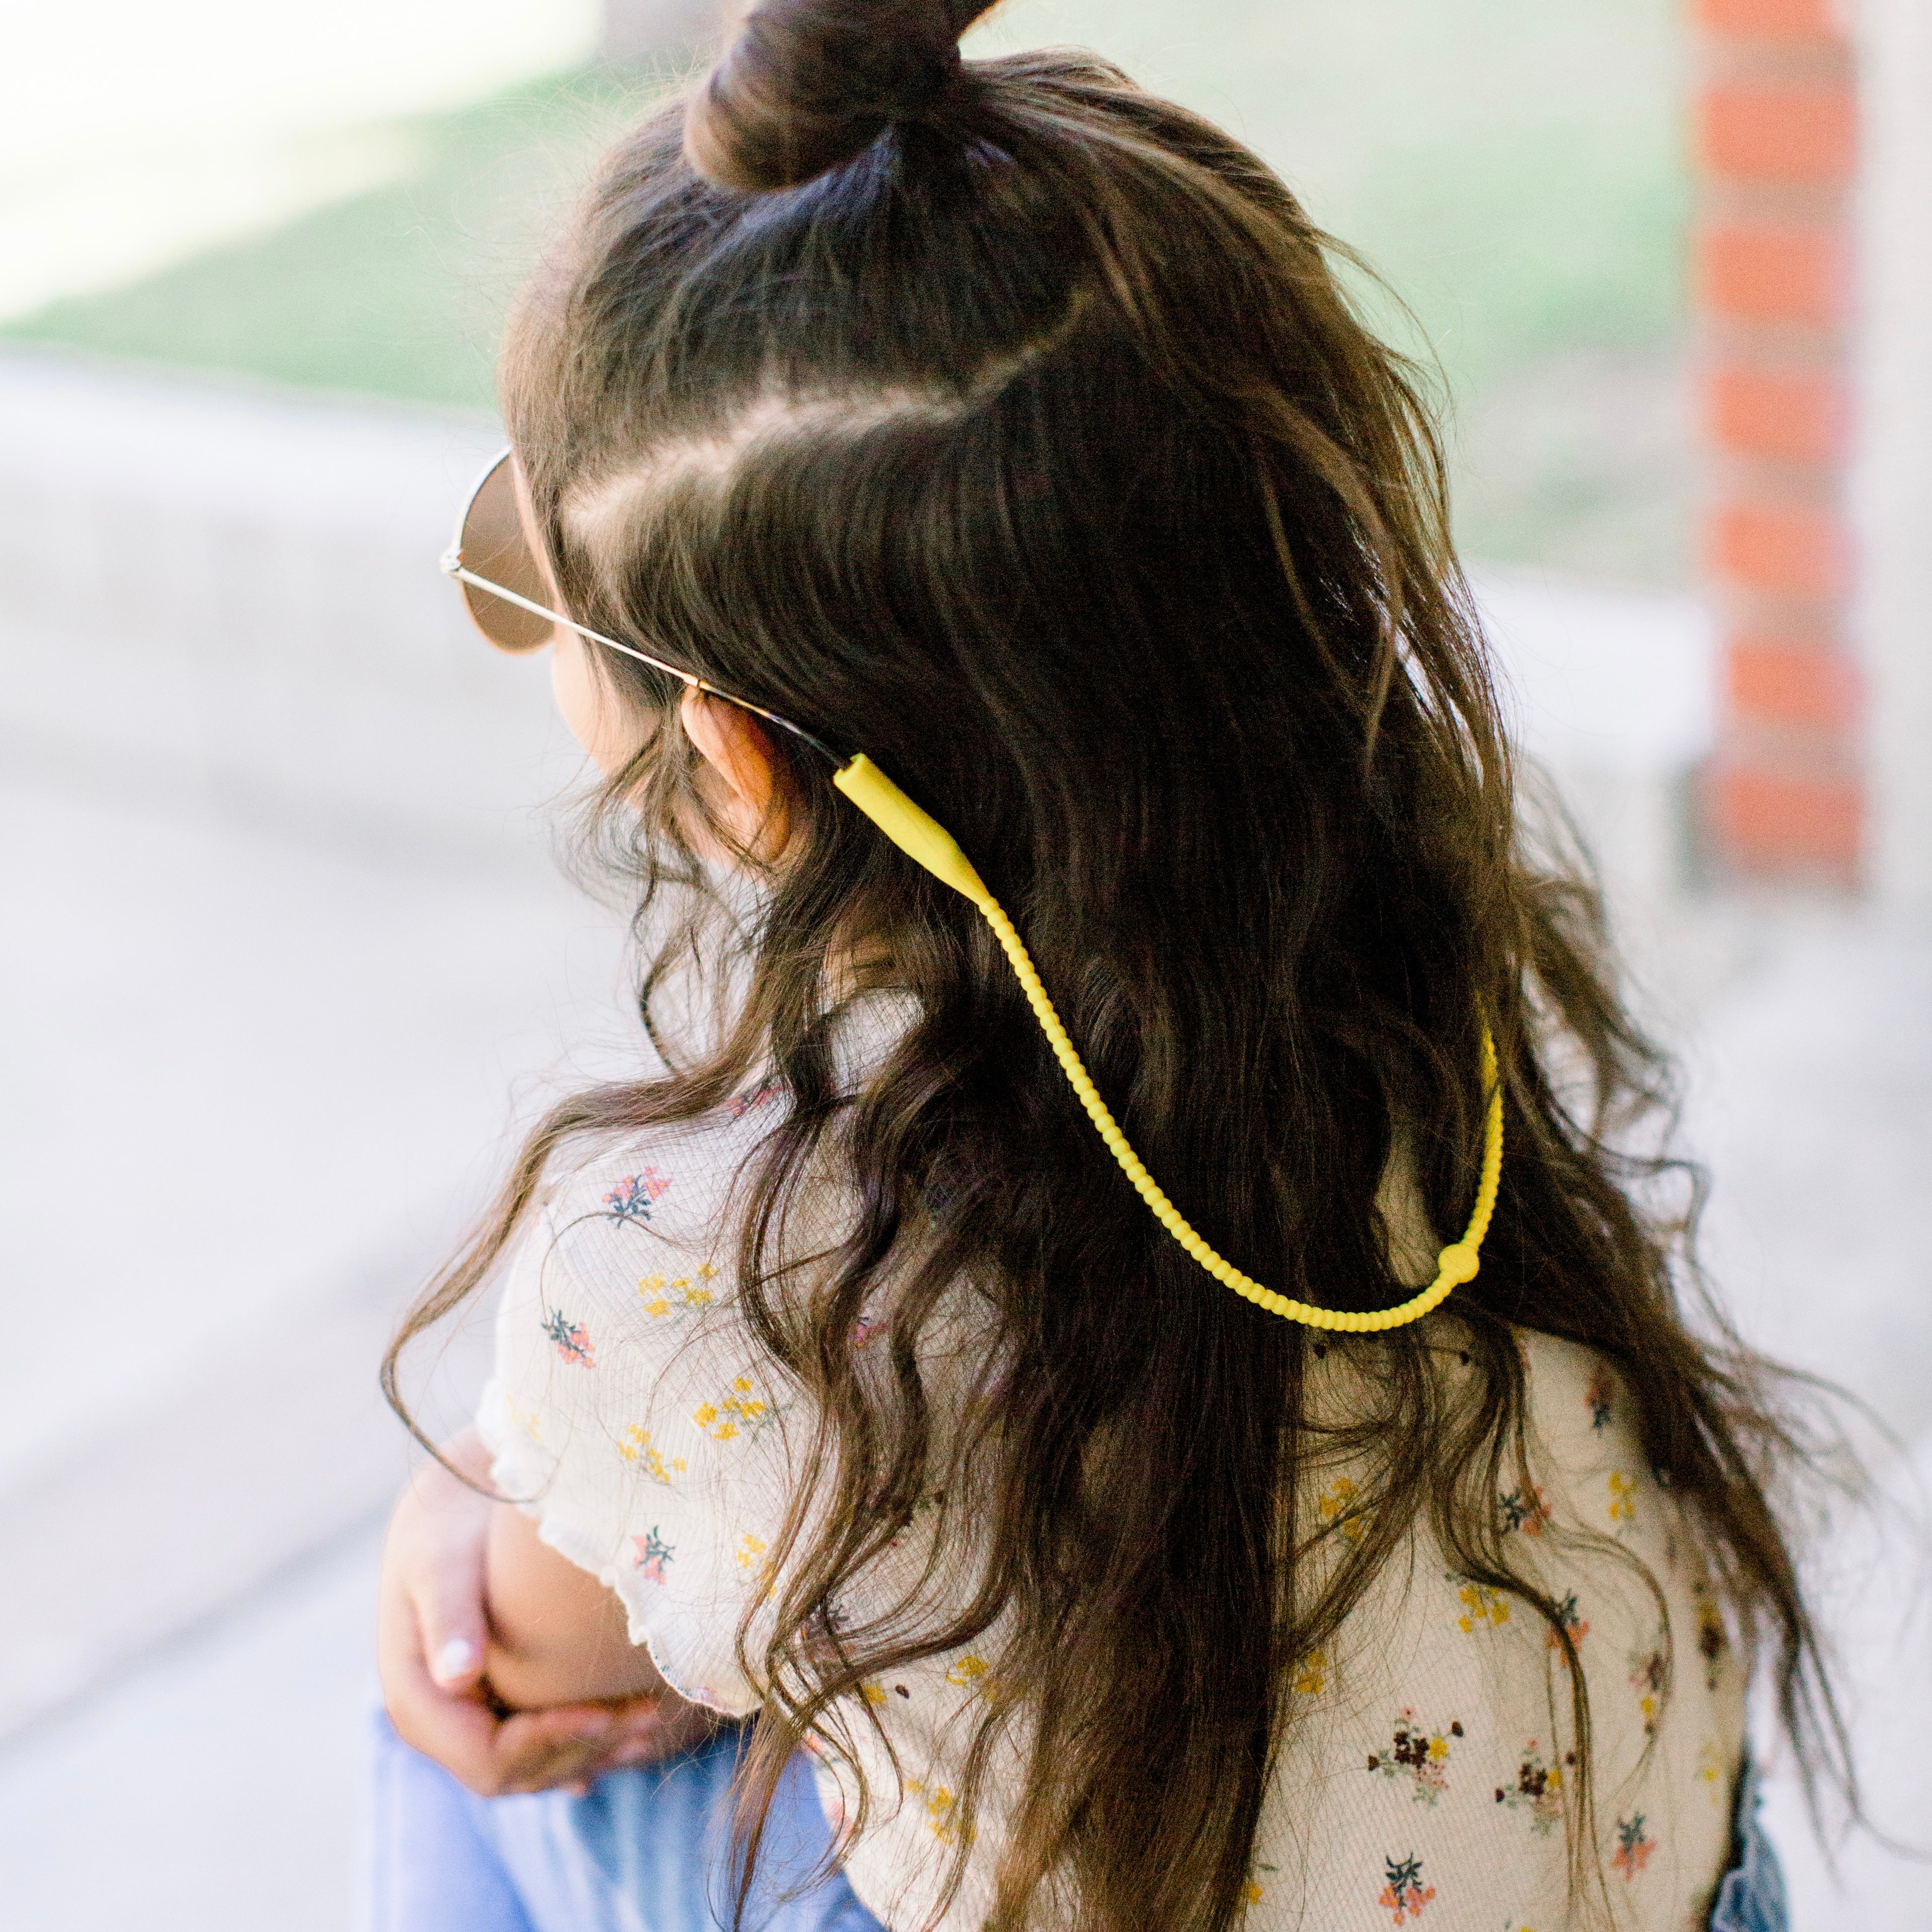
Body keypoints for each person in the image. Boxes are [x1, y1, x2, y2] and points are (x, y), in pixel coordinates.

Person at [370, 4, 1835, 1926]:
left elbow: (540, 1661)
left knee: (446, 1664)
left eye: (536, 569)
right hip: (1664, 1889)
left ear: (729, 761)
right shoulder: (1425, 984)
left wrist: (468, 1501)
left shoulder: (696, 1261)